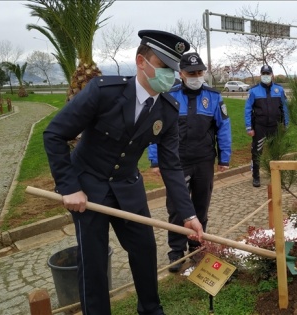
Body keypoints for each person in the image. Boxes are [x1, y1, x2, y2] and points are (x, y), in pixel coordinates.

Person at [43, 30, 204, 315]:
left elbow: (171, 165)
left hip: (128, 186)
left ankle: (151, 309)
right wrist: (69, 187)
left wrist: (189, 215)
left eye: (173, 68)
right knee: (93, 261)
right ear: (141, 61)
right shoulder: (103, 92)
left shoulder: (167, 109)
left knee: (144, 249)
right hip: (87, 185)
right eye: (163, 65)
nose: (170, 74)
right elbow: (54, 134)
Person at [148, 52, 231, 272]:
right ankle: (176, 251)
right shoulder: (168, 95)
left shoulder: (213, 97)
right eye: (190, 73)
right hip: (176, 163)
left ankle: (197, 247)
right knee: (176, 208)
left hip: (204, 161)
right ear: (181, 74)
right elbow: (156, 127)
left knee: (201, 206)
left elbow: (223, 127)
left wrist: (224, 157)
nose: (196, 76)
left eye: (199, 72)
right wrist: (155, 160)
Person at [244, 65, 289, 187]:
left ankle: (277, 176)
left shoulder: (279, 90)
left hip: (275, 126)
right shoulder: (253, 91)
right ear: (260, 75)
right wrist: (249, 127)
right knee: (257, 152)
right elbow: (247, 110)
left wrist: (286, 124)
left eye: (268, 73)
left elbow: (285, 108)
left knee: (276, 152)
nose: (266, 76)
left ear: (272, 75)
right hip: (260, 127)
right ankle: (256, 177)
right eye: (263, 73)